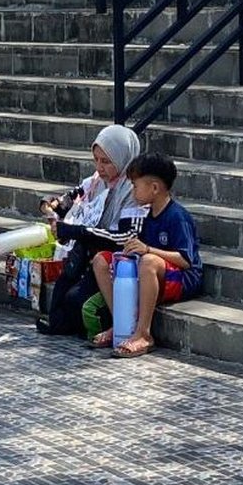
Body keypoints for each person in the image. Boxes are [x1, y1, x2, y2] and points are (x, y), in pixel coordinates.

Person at [59, 152, 203, 357]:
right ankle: (121, 325)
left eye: (135, 186)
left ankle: (144, 333)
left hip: (181, 278)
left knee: (149, 262)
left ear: (154, 188)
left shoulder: (177, 217)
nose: (133, 190)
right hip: (150, 271)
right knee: (103, 260)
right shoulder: (145, 214)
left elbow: (186, 261)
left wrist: (148, 250)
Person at [36, 124, 142, 337]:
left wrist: (78, 231)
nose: (100, 167)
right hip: (87, 252)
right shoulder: (96, 182)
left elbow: (125, 236)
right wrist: (50, 206)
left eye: (106, 162)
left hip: (115, 258)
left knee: (76, 299)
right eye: (96, 160)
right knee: (62, 290)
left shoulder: (133, 189)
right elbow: (67, 200)